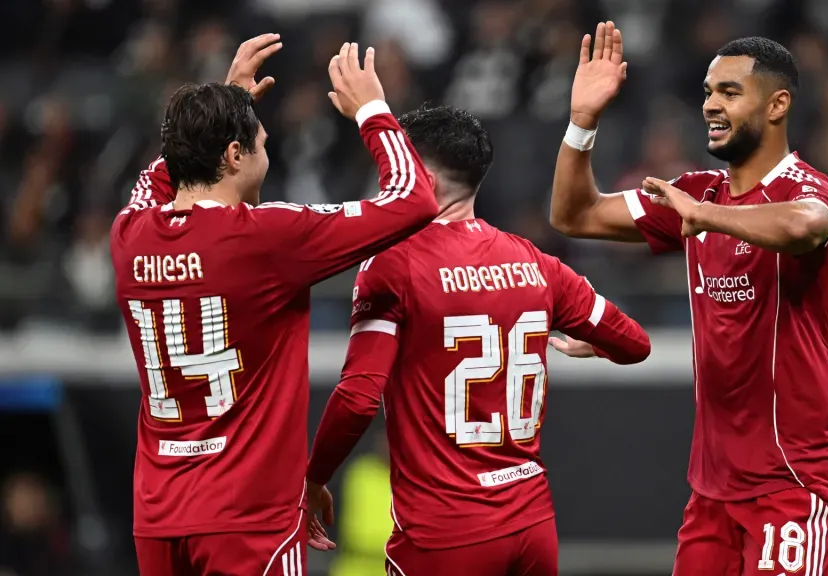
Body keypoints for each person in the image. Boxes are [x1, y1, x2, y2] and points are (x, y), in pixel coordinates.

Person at [113, 35, 441, 576]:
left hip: (158, 517)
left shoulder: (128, 234)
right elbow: (414, 198)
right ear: (235, 154)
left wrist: (225, 100)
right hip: (249, 519)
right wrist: (373, 111)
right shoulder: (268, 238)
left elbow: (159, 175)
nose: (267, 156)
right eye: (261, 144)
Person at [549, 23, 828, 576]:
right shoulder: (698, 191)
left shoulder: (803, 188)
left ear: (778, 104)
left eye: (730, 92)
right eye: (708, 92)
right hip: (712, 492)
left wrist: (702, 215)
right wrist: (582, 124)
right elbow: (575, 214)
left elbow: (807, 226)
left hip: (794, 483)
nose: (712, 105)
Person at [303, 104, 651, 576]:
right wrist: (598, 344)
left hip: (444, 533)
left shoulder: (393, 264)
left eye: (396, 165)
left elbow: (359, 397)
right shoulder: (537, 262)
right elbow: (634, 344)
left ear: (422, 177)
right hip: (532, 526)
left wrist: (314, 477)